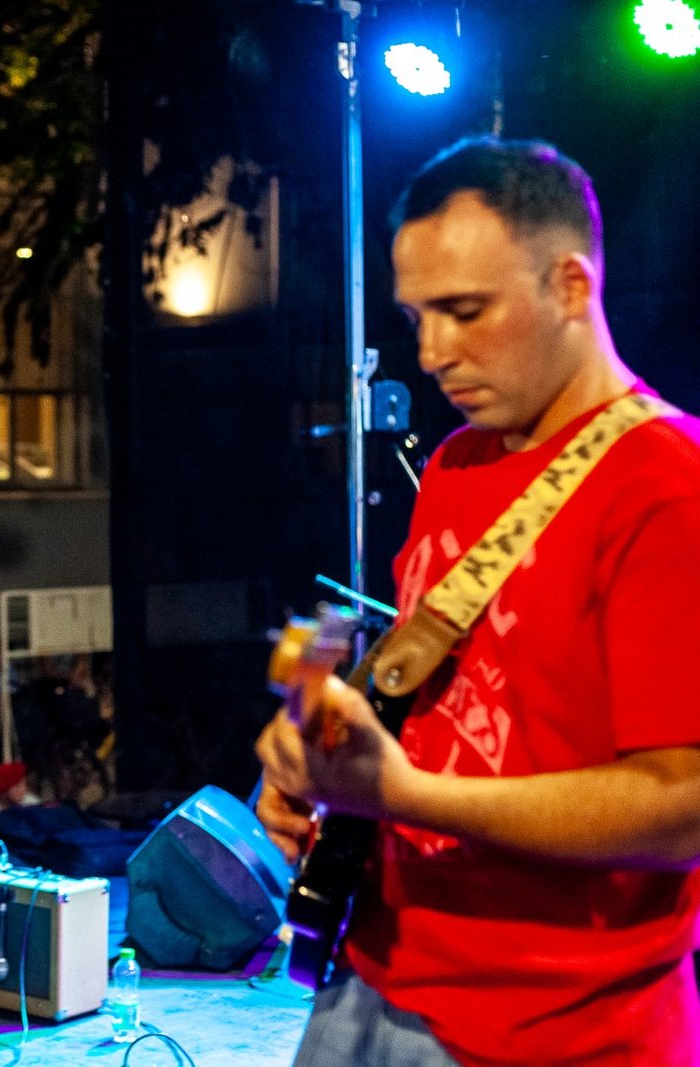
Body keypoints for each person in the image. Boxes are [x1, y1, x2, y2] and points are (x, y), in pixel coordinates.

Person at [255, 138, 700, 1066]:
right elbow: (426, 670)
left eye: (465, 311)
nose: (431, 354)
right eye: (416, 316)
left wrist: (407, 795)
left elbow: (684, 803)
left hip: (556, 1027)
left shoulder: (667, 485)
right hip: (369, 974)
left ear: (570, 286)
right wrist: (312, 743)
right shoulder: (459, 462)